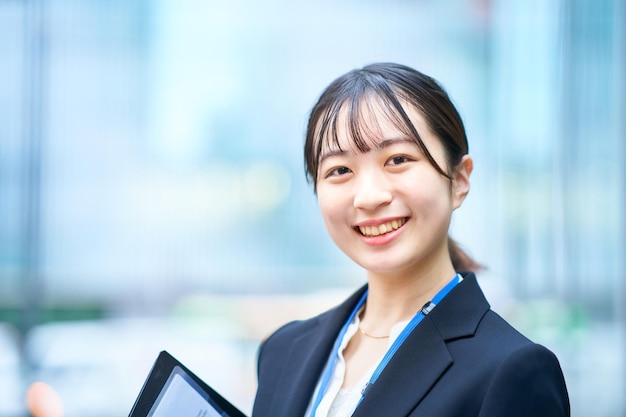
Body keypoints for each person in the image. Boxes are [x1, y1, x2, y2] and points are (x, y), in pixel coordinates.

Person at [251, 63, 570, 417]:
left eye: (398, 159)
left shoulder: (512, 371)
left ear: (459, 180)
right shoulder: (282, 351)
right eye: (339, 170)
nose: (369, 197)